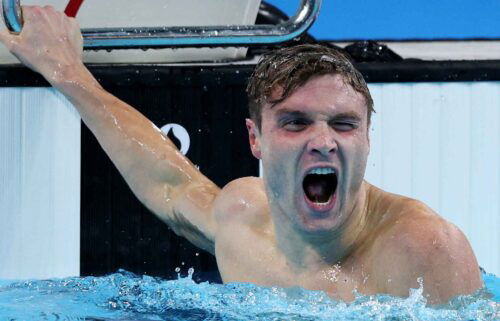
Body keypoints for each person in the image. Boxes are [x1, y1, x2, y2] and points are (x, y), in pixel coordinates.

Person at [0, 6, 482, 304]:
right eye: (296, 122)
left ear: (367, 138)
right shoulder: (244, 219)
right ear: (256, 139)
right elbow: (169, 183)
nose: (323, 141)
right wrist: (66, 71)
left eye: (343, 123)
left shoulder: (424, 250)